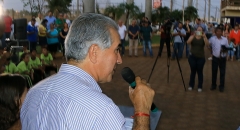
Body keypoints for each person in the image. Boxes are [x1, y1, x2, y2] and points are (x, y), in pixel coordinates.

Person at [21, 13, 155, 130]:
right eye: (116, 50)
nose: (119, 60)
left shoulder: (34, 93)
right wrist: (142, 111)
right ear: (94, 52)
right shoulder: (102, 109)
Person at [187, 26, 209, 92]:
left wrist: (204, 37)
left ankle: (200, 86)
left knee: (200, 72)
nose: (199, 30)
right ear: (196, 30)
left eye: (201, 29)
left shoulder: (203, 37)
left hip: (201, 57)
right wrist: (193, 36)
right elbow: (188, 42)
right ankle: (191, 85)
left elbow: (207, 44)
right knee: (193, 71)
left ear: (202, 31)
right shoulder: (192, 36)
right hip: (192, 57)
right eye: (198, 29)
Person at [209, 26, 229, 92]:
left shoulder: (225, 39)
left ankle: (221, 86)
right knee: (214, 71)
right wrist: (211, 52)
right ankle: (213, 85)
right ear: (215, 32)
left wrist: (224, 50)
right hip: (215, 57)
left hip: (222, 58)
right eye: (217, 31)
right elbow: (208, 45)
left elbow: (227, 48)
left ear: (222, 32)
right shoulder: (212, 39)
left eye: (220, 31)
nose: (219, 32)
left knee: (222, 72)